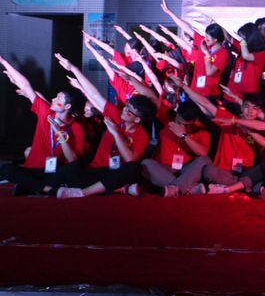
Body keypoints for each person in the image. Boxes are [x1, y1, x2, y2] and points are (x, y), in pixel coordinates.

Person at [54, 54, 156, 198]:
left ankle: (83, 193)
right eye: (126, 106)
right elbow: (95, 94)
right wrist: (73, 69)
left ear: (137, 119)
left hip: (119, 171)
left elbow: (130, 159)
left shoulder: (142, 135)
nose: (124, 110)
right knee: (72, 172)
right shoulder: (117, 115)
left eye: (129, 110)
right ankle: (118, 188)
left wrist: (116, 134)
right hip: (98, 169)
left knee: (133, 168)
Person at [0, 53, 87, 195]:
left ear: (67, 107)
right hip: (33, 169)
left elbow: (72, 159)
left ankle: (29, 186)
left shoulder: (76, 128)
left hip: (54, 171)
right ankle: (47, 189)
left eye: (58, 98)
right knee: (5, 169)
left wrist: (59, 133)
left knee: (75, 167)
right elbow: (27, 86)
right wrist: (3, 61)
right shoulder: (46, 113)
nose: (53, 99)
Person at [160, 0, 229, 101]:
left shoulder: (223, 53)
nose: (205, 38)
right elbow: (187, 28)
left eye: (208, 37)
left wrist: (207, 54)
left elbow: (210, 72)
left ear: (215, 39)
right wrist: (169, 12)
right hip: (194, 91)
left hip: (209, 94)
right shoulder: (203, 43)